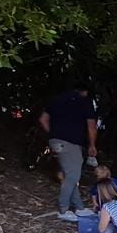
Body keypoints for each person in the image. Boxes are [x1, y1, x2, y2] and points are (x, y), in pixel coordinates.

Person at [39, 79, 97, 222]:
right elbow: (91, 126)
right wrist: (92, 145)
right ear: (84, 92)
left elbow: (43, 119)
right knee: (72, 176)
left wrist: (54, 134)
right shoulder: (84, 101)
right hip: (71, 143)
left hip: (55, 142)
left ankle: (79, 207)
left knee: (70, 174)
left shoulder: (56, 100)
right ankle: (63, 209)